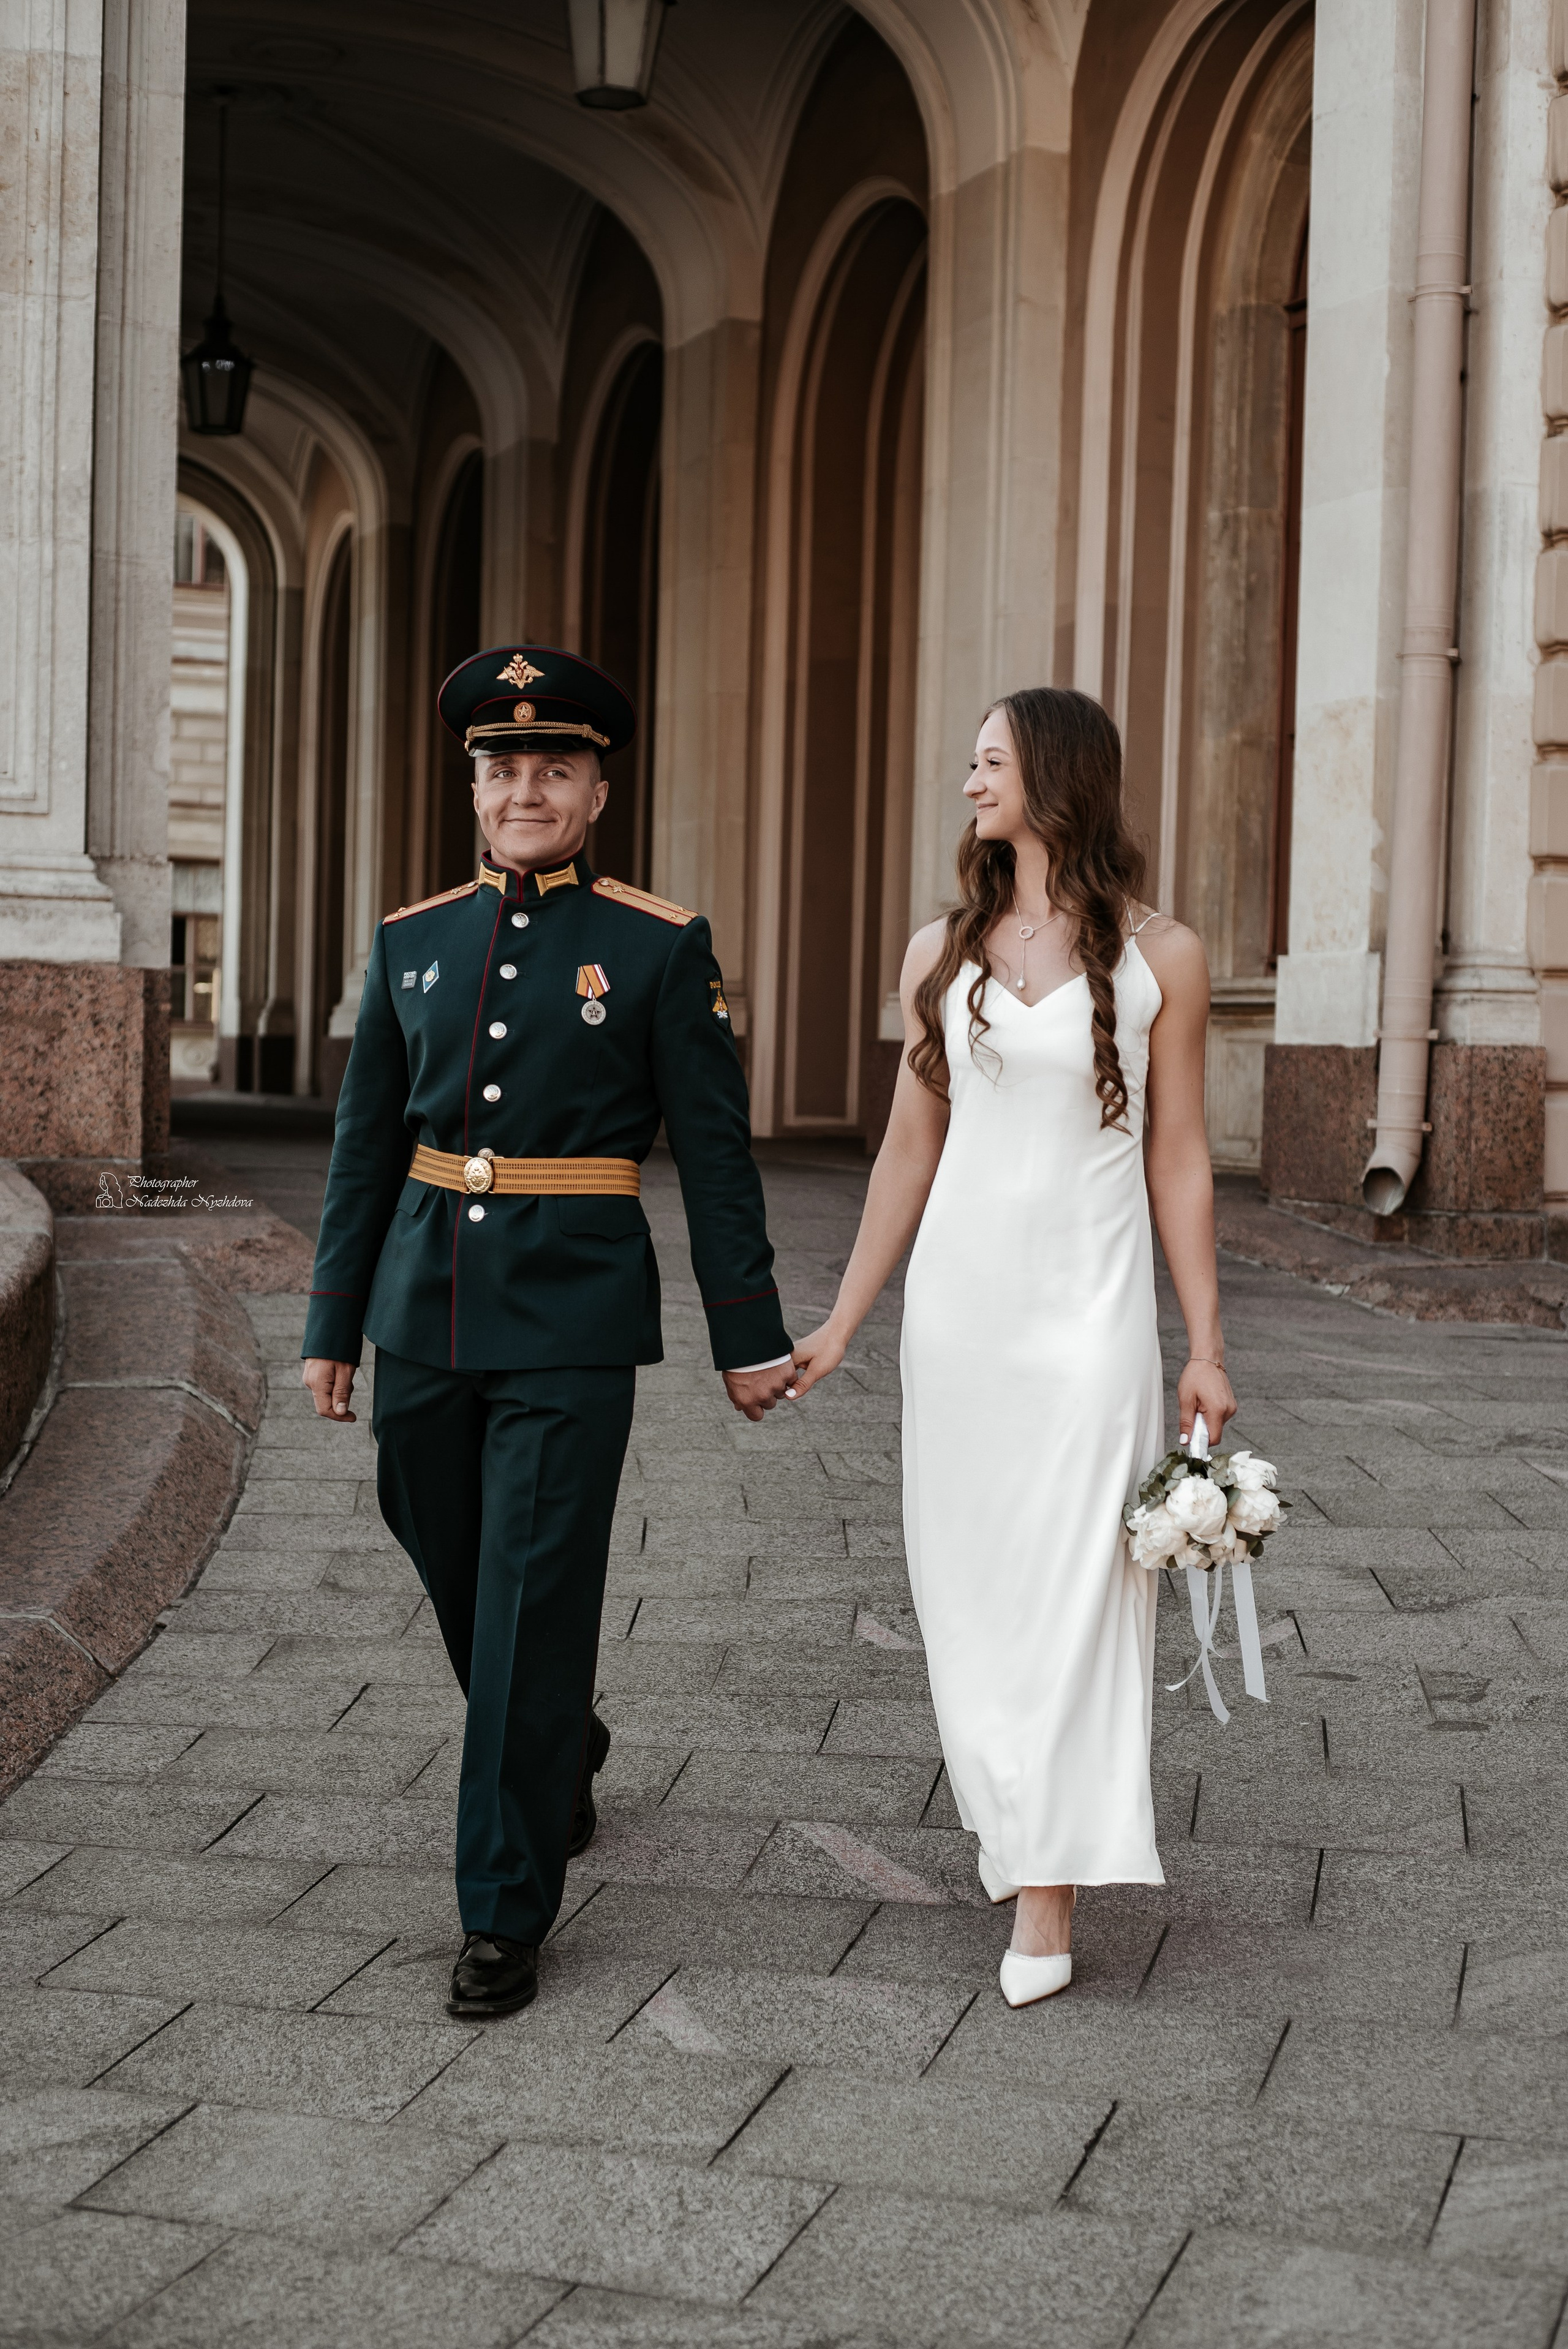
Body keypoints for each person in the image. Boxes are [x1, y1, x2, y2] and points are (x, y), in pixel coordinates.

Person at [300, 645, 794, 2018]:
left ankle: (503, 1906)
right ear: (474, 788)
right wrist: (331, 1322)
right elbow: (360, 1150)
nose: (525, 788)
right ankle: (557, 1733)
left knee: (530, 1590)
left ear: (596, 790)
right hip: (420, 1304)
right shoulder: (410, 941)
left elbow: (714, 1150)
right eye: (501, 767)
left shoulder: (653, 945)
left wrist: (745, 1332)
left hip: (573, 1316)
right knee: (437, 1529)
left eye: (552, 768)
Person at [789, 687, 1235, 2007]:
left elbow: (1181, 1158)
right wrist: (841, 1322)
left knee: (1081, 1595)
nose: (968, 779)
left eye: (989, 760)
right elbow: (905, 1152)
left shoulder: (1167, 956)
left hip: (1089, 1324)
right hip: (961, 1322)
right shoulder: (945, 944)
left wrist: (1202, 1341)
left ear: (1053, 778)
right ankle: (1015, 1814)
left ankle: (1047, 1895)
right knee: (969, 1594)